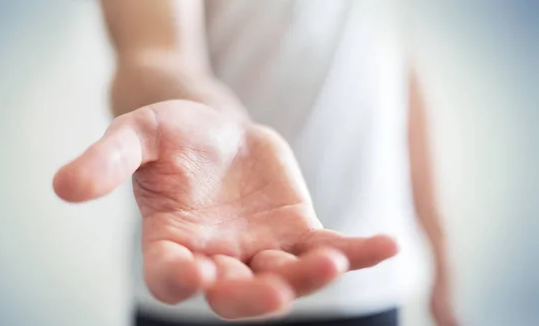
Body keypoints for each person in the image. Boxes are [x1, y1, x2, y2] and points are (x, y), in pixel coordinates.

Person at [53, 1, 459, 325]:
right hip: (206, 275)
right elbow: (154, 51)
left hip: (368, 282)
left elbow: (394, 85)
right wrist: (204, 118)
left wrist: (438, 246)